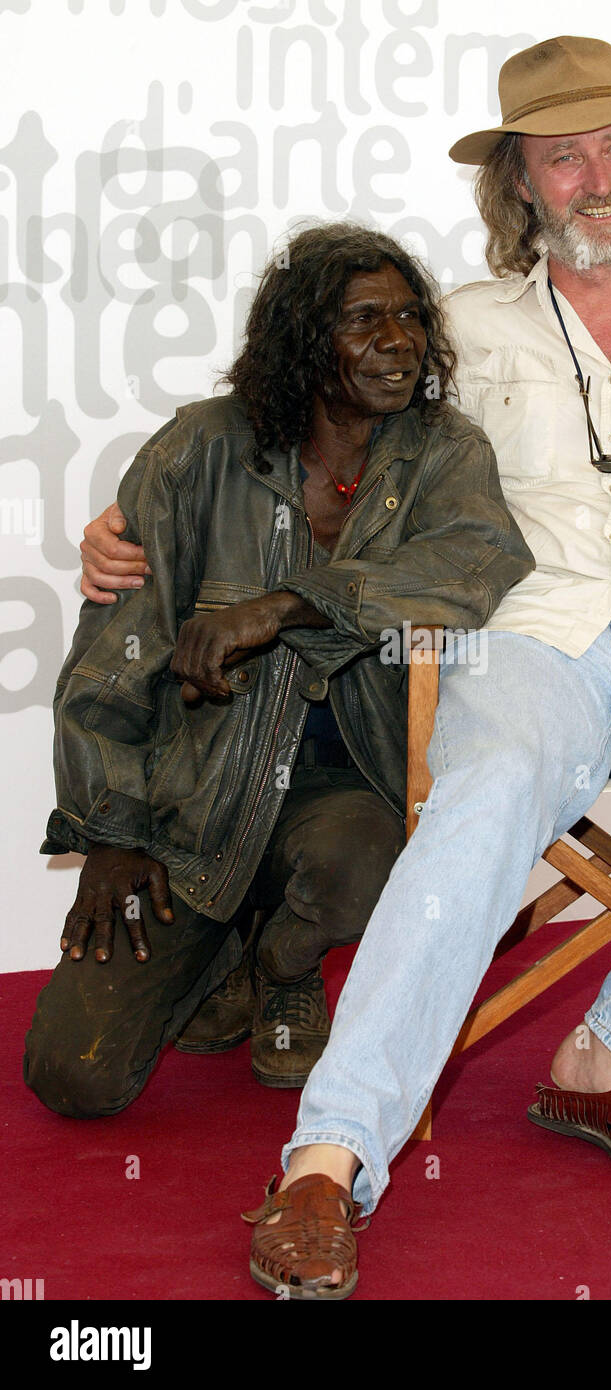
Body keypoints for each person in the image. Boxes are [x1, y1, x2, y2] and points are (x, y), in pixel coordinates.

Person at [81, 37, 611, 1303]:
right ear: (521, 187)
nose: (594, 176)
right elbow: (290, 425)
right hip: (515, 646)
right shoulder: (450, 327)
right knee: (488, 798)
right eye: (561, 157)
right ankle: (327, 1160)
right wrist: (138, 521)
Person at [26, 222, 532, 1118]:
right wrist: (110, 832)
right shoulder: (199, 450)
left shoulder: (442, 454)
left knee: (369, 866)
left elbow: (474, 565)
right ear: (303, 338)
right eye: (364, 320)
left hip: (353, 796)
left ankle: (282, 963)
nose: (398, 340)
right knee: (76, 1078)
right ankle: (225, 949)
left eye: (410, 317)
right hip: (197, 807)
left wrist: (287, 603)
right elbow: (117, 652)